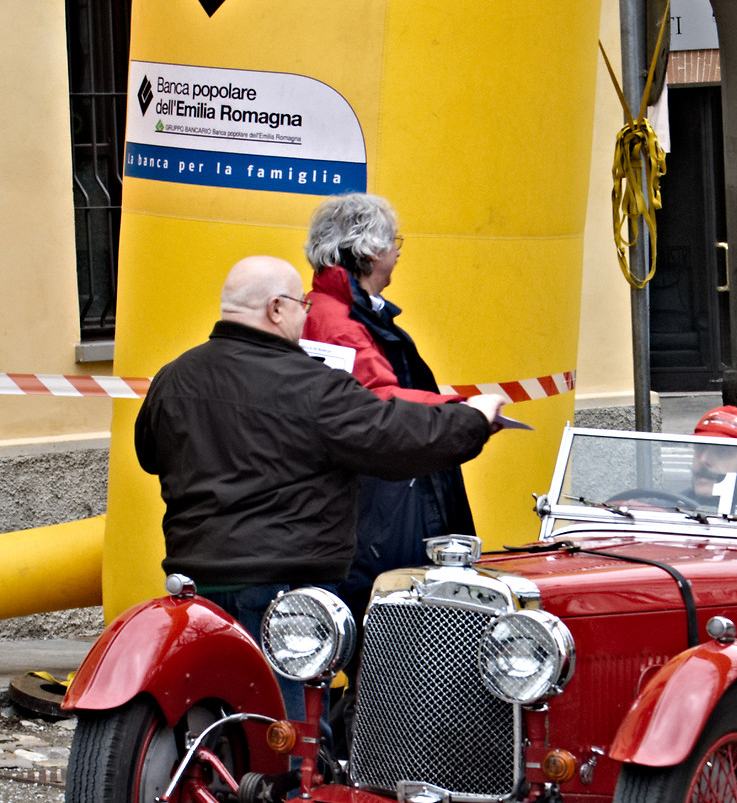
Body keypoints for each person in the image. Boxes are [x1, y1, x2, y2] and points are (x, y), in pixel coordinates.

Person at [134, 255, 509, 714]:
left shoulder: (173, 378)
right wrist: (472, 418)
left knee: (214, 712)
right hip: (287, 588)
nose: (306, 314)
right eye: (301, 304)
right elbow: (393, 439)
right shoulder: (312, 385)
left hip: (195, 583)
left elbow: (149, 456)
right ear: (276, 308)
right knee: (290, 732)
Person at [301, 193, 478, 614]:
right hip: (382, 503)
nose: (399, 251)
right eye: (393, 241)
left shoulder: (339, 311)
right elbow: (379, 400)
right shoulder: (340, 323)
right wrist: (461, 410)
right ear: (369, 250)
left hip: (382, 494)